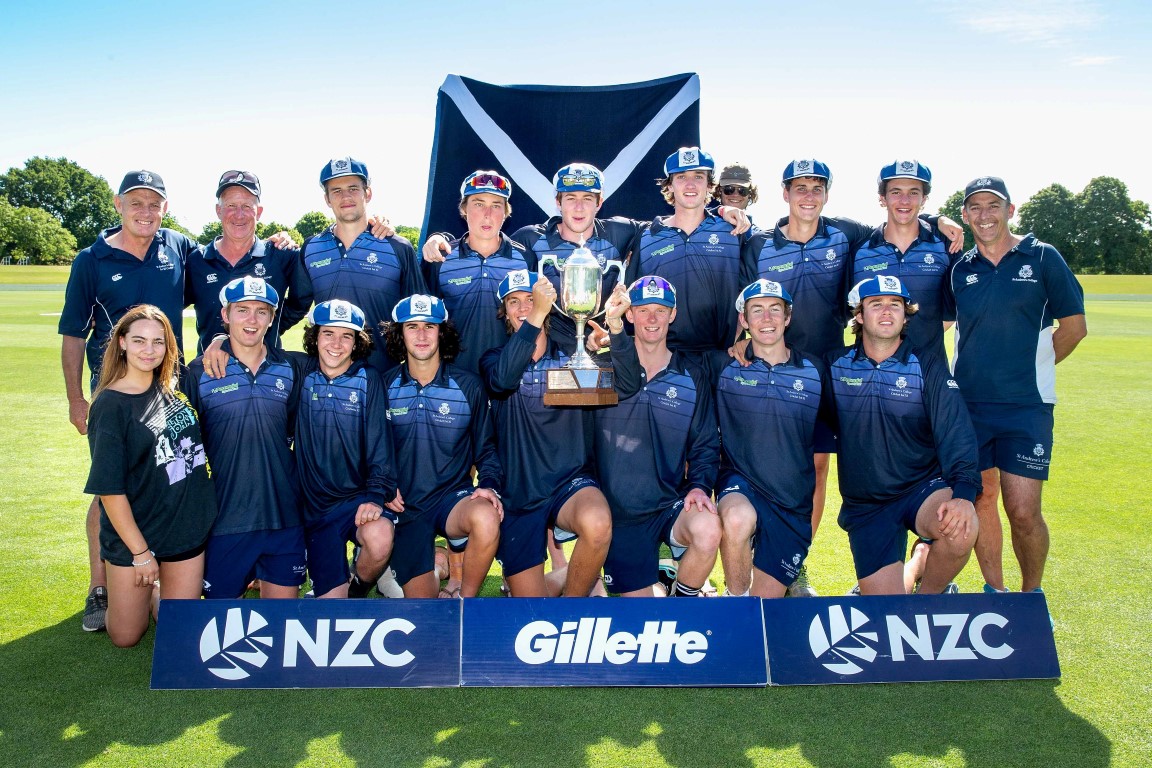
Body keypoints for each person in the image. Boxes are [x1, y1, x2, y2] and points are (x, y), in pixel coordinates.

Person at [59, 169, 198, 632]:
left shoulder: (177, 246)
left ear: (164, 207)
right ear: (118, 204)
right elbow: (73, 334)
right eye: (135, 202)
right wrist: (77, 398)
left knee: (167, 475)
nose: (145, 211)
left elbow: (223, 270)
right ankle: (100, 587)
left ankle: (163, 571)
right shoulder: (91, 258)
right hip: (114, 392)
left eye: (153, 203)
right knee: (108, 487)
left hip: (167, 389)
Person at [947, 176, 1087, 596]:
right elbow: (943, 326)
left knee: (1023, 511)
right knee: (981, 500)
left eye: (993, 205)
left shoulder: (1043, 257)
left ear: (1011, 209)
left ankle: (1031, 597)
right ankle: (997, 591)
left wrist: (1033, 365)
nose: (984, 215)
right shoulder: (960, 267)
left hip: (1026, 406)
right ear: (966, 215)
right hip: (970, 405)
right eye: (975, 207)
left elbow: (1075, 327)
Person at [480, 269, 638, 597]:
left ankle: (573, 605)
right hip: (520, 494)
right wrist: (536, 313)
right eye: (515, 302)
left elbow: (626, 385)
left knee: (597, 523)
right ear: (504, 311)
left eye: (532, 300)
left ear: (551, 305)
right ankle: (554, 583)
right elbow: (504, 380)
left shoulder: (570, 363)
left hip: (570, 483)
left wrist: (617, 328)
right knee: (530, 610)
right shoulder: (493, 359)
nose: (525, 307)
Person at [829, 275, 979, 594]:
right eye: (876, 304)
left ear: (905, 313)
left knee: (961, 529)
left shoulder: (927, 366)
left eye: (895, 304)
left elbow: (957, 434)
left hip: (921, 488)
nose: (887, 311)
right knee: (886, 605)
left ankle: (928, 599)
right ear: (859, 315)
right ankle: (918, 562)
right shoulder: (834, 366)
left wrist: (964, 494)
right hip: (867, 502)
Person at [83, 305, 216, 647]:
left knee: (179, 633)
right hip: (137, 534)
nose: (149, 350)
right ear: (122, 343)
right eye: (139, 340)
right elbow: (109, 491)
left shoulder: (172, 388)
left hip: (185, 528)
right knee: (126, 637)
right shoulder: (110, 405)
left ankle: (159, 596)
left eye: (158, 342)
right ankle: (124, 591)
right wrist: (141, 554)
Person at [593, 276, 722, 597]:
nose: (652, 319)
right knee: (643, 613)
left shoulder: (691, 374)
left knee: (708, 530)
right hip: (619, 513)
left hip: (669, 502)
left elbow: (706, 442)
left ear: (673, 314)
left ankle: (682, 597)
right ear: (629, 315)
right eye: (643, 309)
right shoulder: (603, 368)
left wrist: (700, 486)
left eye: (661, 310)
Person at [708, 280, 833, 597]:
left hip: (790, 503)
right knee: (736, 520)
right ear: (744, 320)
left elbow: (824, 451)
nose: (767, 319)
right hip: (740, 483)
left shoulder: (816, 370)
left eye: (775, 310)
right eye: (757, 311)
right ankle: (735, 602)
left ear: (788, 317)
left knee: (767, 604)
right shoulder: (721, 364)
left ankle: (779, 580)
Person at [184, 277, 306, 599]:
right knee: (222, 630)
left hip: (283, 517)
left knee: (281, 628)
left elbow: (291, 431)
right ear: (225, 315)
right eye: (242, 310)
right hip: (226, 520)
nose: (252, 320)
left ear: (271, 318)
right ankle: (160, 596)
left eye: (261, 312)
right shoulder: (199, 373)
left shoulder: (291, 368)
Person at [382, 294, 504, 598]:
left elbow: (486, 449)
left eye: (430, 326)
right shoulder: (382, 386)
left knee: (486, 517)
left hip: (452, 499)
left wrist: (488, 484)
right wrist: (380, 487)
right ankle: (436, 565)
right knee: (420, 606)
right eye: (412, 327)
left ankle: (467, 599)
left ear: (442, 332)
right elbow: (367, 451)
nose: (421, 335)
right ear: (400, 333)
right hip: (404, 506)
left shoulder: (469, 386)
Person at [295, 300, 399, 598]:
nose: (336, 344)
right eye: (328, 333)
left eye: (347, 336)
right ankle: (332, 586)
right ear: (315, 337)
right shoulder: (299, 373)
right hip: (314, 508)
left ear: (357, 342)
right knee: (331, 608)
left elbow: (381, 444)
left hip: (356, 498)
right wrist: (219, 341)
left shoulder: (368, 379)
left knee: (379, 538)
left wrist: (376, 495)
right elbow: (254, 350)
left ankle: (359, 588)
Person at [294, 157, 426, 373]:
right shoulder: (311, 248)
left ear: (368, 193)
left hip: (385, 377)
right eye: (336, 191)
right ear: (327, 199)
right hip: (329, 381)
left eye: (353, 188)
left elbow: (419, 316)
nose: (345, 196)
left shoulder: (398, 248)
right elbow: (294, 308)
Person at [626, 147, 752, 356]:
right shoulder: (647, 236)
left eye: (699, 177)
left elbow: (751, 293)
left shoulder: (734, 231)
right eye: (682, 177)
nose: (690, 184)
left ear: (710, 184)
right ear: (670, 185)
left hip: (720, 358)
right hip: (663, 361)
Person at [184, 170, 310, 352]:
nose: (239, 214)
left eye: (246, 206)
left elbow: (301, 303)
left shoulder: (282, 255)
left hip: (266, 374)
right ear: (218, 211)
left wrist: (267, 326)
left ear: (258, 212)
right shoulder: (196, 260)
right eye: (231, 206)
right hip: (208, 374)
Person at [422, 170, 529, 374]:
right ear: (464, 209)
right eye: (479, 204)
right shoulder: (440, 258)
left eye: (496, 205)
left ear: (506, 212)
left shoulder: (526, 259)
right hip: (453, 380)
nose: (487, 214)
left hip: (511, 377)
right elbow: (425, 324)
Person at [849, 160, 958, 359]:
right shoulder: (859, 249)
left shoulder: (946, 245)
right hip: (869, 373)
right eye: (896, 192)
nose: (905, 201)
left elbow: (951, 312)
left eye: (914, 192)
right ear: (882, 198)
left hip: (929, 371)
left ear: (924, 198)